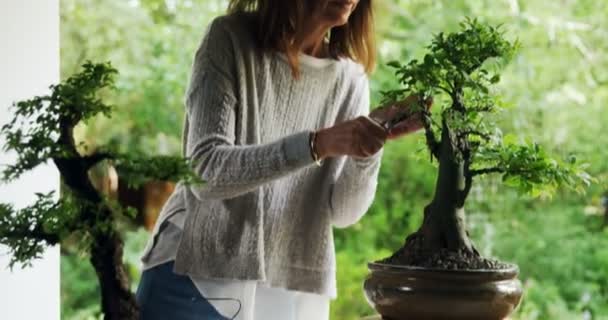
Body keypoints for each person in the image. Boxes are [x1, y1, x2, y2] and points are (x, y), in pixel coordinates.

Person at [135, 0, 430, 319]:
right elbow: (205, 172)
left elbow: (343, 213)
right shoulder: (230, 38)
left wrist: (369, 146)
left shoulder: (350, 77)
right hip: (195, 276)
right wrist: (317, 144)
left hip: (289, 285)